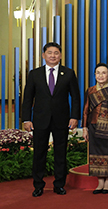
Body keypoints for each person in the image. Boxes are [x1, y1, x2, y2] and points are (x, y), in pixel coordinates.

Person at [21, 42, 80, 197]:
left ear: (60, 55)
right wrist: (26, 119)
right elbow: (28, 98)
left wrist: (75, 117)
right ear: (43, 55)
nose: (53, 55)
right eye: (49, 53)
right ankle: (38, 185)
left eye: (56, 53)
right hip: (40, 119)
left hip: (62, 119)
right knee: (39, 153)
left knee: (60, 153)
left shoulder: (68, 73)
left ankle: (59, 184)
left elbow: (76, 98)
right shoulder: (35, 74)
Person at [82, 63, 108, 194]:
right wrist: (85, 128)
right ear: (94, 75)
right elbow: (85, 110)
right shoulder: (90, 90)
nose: (100, 75)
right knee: (95, 153)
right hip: (93, 125)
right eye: (98, 73)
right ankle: (100, 182)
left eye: (104, 73)